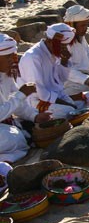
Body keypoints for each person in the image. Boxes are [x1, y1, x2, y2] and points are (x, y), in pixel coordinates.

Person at [0, 34, 52, 162]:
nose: (13, 60)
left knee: (23, 135)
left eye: (13, 55)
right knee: (14, 138)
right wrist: (22, 94)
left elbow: (17, 105)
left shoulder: (5, 74)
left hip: (5, 124)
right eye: (8, 57)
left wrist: (34, 116)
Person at [18, 23, 87, 119]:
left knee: (85, 101)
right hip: (36, 101)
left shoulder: (53, 52)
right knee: (69, 111)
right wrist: (67, 104)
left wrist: (64, 61)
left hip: (56, 95)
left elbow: (61, 79)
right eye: (62, 46)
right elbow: (39, 92)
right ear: (50, 41)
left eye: (65, 46)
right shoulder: (33, 57)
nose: (64, 49)